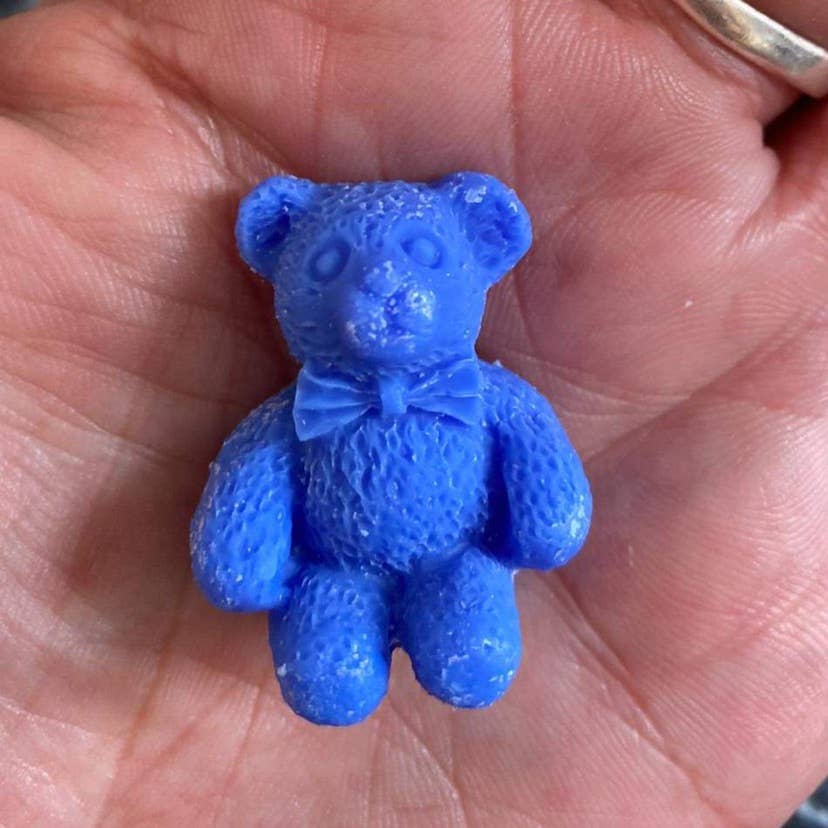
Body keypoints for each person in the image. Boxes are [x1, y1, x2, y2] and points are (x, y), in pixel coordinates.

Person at [0, 1, 825, 825]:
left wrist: (546, 517)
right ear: (278, 254)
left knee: (472, 656)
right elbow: (251, 484)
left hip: (459, 558)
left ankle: (458, 614)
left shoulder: (490, 397)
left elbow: (539, 464)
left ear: (485, 247)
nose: (378, 286)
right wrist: (239, 555)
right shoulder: (295, 417)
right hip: (330, 570)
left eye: (423, 256)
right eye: (330, 263)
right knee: (327, 679)